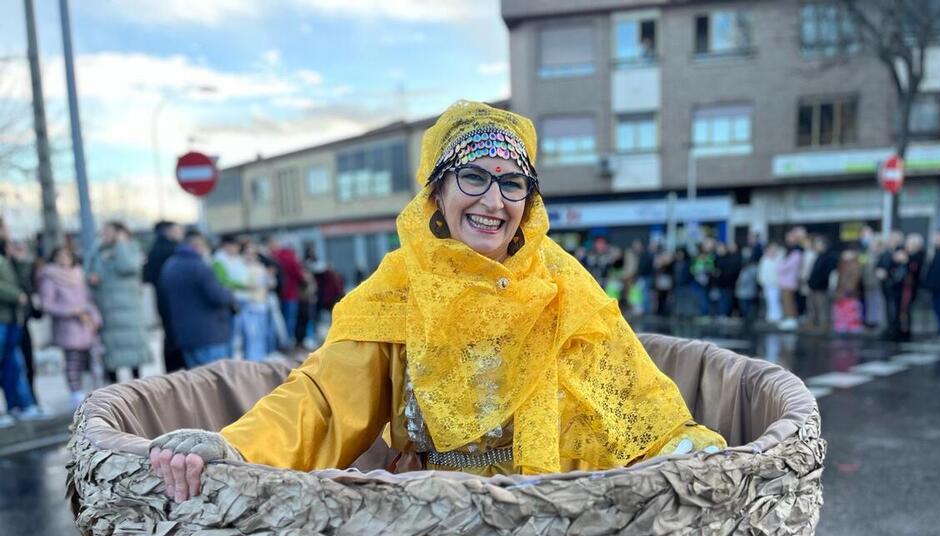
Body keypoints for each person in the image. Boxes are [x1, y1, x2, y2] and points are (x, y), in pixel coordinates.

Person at [149, 100, 727, 501]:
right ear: (438, 192)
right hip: (439, 532)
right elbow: (325, 400)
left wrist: (686, 452)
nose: (493, 201)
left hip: (569, 521)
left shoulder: (563, 282)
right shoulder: (399, 286)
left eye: (512, 183)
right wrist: (236, 447)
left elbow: (632, 393)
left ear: (529, 201)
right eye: (472, 177)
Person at [159, 230, 237, 369]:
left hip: (185, 336)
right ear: (198, 246)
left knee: (199, 385)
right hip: (210, 335)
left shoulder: (169, 265)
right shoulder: (200, 266)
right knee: (217, 382)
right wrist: (229, 294)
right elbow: (217, 296)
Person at [38, 243, 102, 408]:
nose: (64, 259)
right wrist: (71, 311)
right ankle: (76, 395)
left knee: (93, 360)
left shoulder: (79, 274)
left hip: (86, 324)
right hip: (68, 326)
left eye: (67, 255)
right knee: (73, 362)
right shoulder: (49, 277)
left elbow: (88, 298)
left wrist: (94, 318)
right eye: (60, 256)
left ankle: (95, 393)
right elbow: (47, 304)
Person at [87, 221, 151, 382]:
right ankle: (113, 388)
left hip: (128, 307)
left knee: (133, 345)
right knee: (110, 349)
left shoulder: (130, 247)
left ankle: (137, 382)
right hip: (106, 307)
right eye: (104, 231)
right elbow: (87, 271)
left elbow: (128, 266)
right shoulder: (97, 251)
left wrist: (121, 244)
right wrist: (91, 278)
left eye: (109, 231)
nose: (105, 235)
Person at [0, 233, 44, 421]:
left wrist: (19, 261)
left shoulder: (8, 262)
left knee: (14, 364)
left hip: (11, 319)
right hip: (4, 318)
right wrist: (17, 295)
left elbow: (23, 279)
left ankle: (18, 406)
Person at [143, 221, 185, 373]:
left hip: (162, 300)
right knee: (176, 335)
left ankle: (172, 370)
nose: (180, 234)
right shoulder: (171, 251)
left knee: (169, 334)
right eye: (177, 230)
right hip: (174, 301)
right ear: (168, 232)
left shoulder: (155, 249)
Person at [805, 236, 838, 332]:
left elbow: (828, 274)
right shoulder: (818, 256)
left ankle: (824, 327)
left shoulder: (830, 257)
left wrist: (820, 283)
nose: (816, 246)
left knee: (823, 308)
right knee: (813, 308)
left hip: (822, 288)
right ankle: (815, 325)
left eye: (818, 244)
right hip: (814, 287)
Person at [777, 228, 804, 330]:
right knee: (785, 301)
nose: (788, 239)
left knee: (789, 301)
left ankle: (792, 319)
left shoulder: (796, 252)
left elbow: (787, 266)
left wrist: (779, 266)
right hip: (784, 281)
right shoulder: (789, 251)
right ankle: (788, 318)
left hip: (790, 281)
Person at [734, 247, 759, 332]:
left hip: (746, 291)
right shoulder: (745, 269)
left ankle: (748, 319)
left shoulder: (751, 269)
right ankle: (748, 319)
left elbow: (743, 281)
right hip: (745, 291)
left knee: (746, 307)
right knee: (745, 307)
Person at [758, 243, 783, 324]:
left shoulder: (779, 259)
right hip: (767, 284)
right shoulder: (764, 259)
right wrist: (761, 281)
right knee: (770, 300)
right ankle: (771, 316)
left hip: (776, 284)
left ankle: (776, 316)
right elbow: (761, 272)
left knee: (775, 300)